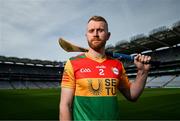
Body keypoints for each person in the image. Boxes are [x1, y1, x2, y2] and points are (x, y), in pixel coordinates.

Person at [59, 15, 151, 120]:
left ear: (108, 35)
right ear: (86, 35)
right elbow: (65, 105)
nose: (95, 34)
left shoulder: (117, 64)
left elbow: (132, 95)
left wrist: (142, 72)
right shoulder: (73, 63)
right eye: (91, 31)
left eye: (100, 30)